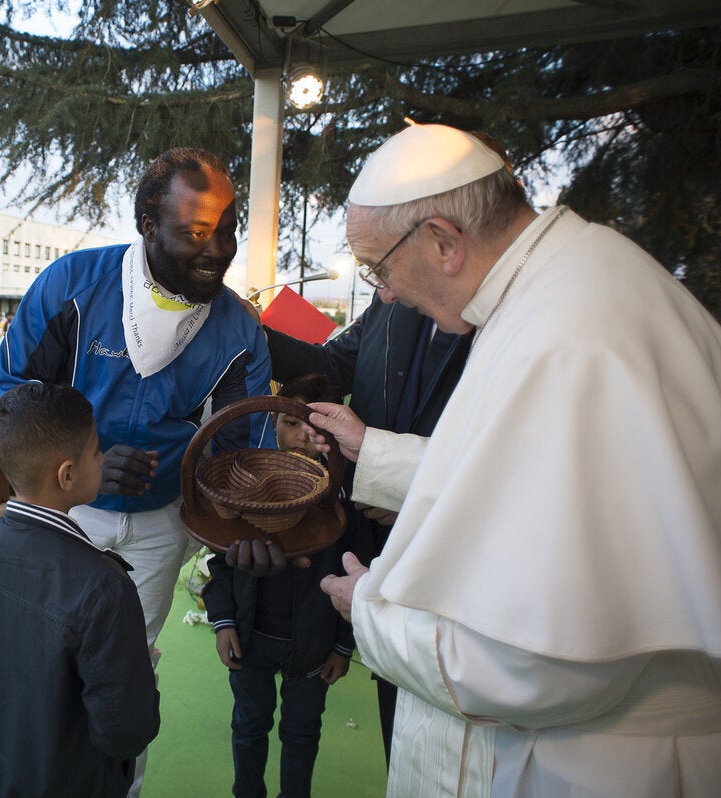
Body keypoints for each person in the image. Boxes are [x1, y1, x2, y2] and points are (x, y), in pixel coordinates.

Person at [302, 123, 721, 796]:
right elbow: (525, 478)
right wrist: (372, 453)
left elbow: (534, 663)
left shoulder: (565, 333)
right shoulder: (568, 281)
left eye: (379, 267)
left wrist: (370, 615)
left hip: (590, 764)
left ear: (443, 242)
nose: (384, 294)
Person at [0, 147, 272, 795]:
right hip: (63, 513)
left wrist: (244, 525)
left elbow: (241, 452)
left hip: (157, 529)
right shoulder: (71, 285)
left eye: (228, 230)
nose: (217, 250)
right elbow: (10, 398)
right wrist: (78, 461)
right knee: (42, 663)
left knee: (126, 673)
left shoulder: (239, 331)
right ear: (147, 223)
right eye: (196, 233)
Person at [260, 293, 470, 762]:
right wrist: (251, 331)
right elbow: (331, 363)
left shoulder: (513, 319)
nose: (383, 289)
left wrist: (411, 492)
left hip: (457, 565)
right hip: (376, 551)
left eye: (379, 266)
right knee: (401, 729)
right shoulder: (389, 302)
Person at [0, 382, 160, 798]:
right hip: (76, 780)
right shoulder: (104, 586)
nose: (103, 458)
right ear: (67, 474)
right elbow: (125, 731)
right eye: (96, 451)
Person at [203, 374, 354, 798]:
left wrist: (343, 645)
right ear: (273, 424)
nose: (302, 437)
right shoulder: (249, 486)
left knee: (302, 732)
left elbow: (354, 573)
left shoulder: (344, 503)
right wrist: (223, 620)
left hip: (313, 643)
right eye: (290, 424)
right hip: (250, 636)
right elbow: (221, 559)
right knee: (248, 725)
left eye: (315, 429)